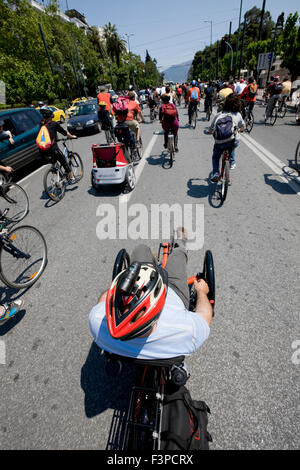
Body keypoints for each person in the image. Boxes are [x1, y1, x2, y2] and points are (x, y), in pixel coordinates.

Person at [89, 228, 213, 360]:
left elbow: (104, 300)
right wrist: (201, 291)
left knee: (140, 249)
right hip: (174, 291)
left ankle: (151, 260)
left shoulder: (97, 323)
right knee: (178, 256)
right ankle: (179, 244)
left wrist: (121, 286)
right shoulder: (187, 332)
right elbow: (205, 315)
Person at [206, 93, 245, 181]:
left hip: (219, 142)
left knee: (215, 157)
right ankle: (232, 161)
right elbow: (243, 126)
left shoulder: (219, 115)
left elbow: (210, 129)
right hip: (232, 141)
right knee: (233, 143)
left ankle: (216, 172)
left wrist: (209, 131)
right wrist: (240, 130)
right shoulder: (238, 114)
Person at [38, 109, 77, 183]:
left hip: (44, 151)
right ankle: (72, 178)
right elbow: (64, 132)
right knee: (64, 162)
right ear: (51, 116)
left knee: (54, 162)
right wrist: (72, 136)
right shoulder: (54, 124)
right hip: (53, 149)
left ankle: (56, 176)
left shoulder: (41, 125)